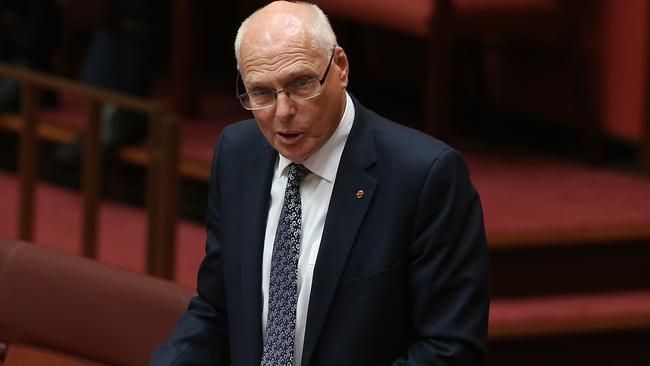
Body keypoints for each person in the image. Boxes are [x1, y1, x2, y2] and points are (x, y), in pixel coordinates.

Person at [151, 1, 489, 365]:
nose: (282, 112)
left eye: (300, 84)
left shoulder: (424, 177)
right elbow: (218, 308)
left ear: (340, 66)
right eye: (262, 93)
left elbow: (449, 350)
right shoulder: (237, 154)